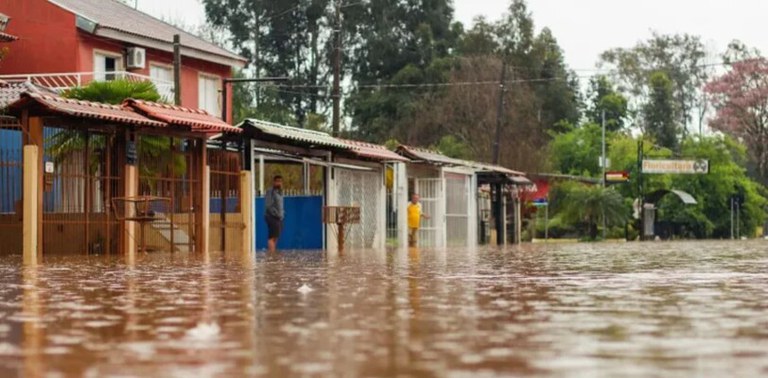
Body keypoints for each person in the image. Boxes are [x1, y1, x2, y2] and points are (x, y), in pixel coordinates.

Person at [264, 175, 284, 253]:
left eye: (280, 181)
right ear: (274, 182)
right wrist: (276, 214)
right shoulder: (270, 191)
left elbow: (280, 205)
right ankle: (271, 255)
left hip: (279, 218)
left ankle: (273, 253)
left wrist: (282, 214)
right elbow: (268, 205)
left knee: (275, 237)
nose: (279, 183)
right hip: (271, 217)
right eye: (277, 181)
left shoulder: (280, 192)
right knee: (272, 237)